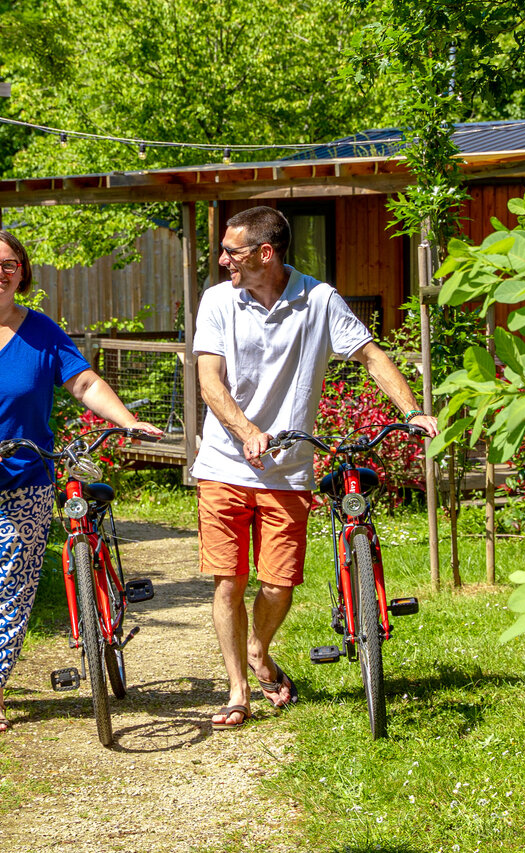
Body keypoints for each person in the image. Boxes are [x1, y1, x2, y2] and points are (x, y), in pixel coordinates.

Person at [191, 206, 439, 731]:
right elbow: (210, 381)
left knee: (279, 583)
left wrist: (412, 410)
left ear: (265, 253)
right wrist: (246, 431)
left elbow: (371, 356)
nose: (222, 260)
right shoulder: (218, 299)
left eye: (232, 252)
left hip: (287, 469)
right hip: (223, 463)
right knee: (229, 582)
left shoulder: (319, 300)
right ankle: (238, 689)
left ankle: (259, 650)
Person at [0, 229, 161, 733]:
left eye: (9, 264)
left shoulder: (42, 331)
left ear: (22, 273)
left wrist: (126, 419)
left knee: (5, 587)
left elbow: (83, 382)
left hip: (22, 481)